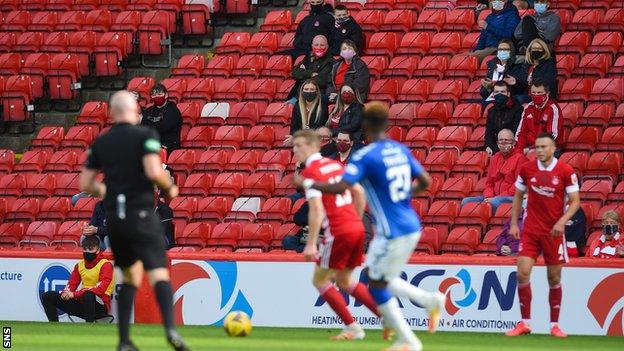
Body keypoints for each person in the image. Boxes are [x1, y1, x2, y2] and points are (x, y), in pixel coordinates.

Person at [294, 102, 445, 351]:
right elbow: (425, 181)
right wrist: (401, 196)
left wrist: (307, 184)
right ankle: (419, 310)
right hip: (406, 223)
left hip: (387, 230)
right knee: (369, 280)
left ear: (363, 126)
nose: (295, 150)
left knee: (364, 281)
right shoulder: (399, 149)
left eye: (298, 145)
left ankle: (404, 332)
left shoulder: (363, 156)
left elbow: (339, 191)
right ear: (387, 125)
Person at [79, 90, 188, 351]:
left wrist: (106, 191)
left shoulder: (101, 143)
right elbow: (154, 172)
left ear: (113, 113)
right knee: (159, 273)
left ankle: (125, 340)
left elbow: (85, 183)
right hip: (142, 213)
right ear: (135, 112)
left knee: (129, 277)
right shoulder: (147, 136)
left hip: (117, 219)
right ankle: (171, 332)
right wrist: (169, 188)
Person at [293, 129, 385, 340]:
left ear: (313, 146)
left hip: (338, 231)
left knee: (320, 281)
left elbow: (316, 209)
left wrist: (311, 244)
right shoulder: (335, 165)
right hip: (356, 228)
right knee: (344, 280)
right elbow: (359, 193)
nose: (295, 150)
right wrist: (355, 218)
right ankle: (387, 319)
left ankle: (353, 327)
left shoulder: (311, 172)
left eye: (299, 145)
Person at [505, 132, 580, 338]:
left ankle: (554, 325)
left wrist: (562, 221)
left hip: (553, 232)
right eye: (537, 147)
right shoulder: (526, 169)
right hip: (530, 229)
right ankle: (525, 323)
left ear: (553, 148)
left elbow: (575, 201)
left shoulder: (565, 171)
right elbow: (518, 196)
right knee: (522, 272)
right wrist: (514, 223)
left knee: (553, 277)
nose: (539, 150)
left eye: (543, 147)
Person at [42, 236, 114, 323]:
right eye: (85, 249)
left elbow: (100, 289)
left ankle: (89, 327)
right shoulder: (79, 265)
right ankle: (54, 326)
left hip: (101, 306)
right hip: (83, 303)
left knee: (88, 294)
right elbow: (71, 285)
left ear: (98, 250)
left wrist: (75, 294)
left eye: (90, 249)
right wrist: (65, 293)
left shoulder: (105, 264)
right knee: (47, 296)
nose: (87, 252)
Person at [462, 129, 528, 214]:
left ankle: (492, 226)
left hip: (511, 197)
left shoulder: (521, 159)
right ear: (497, 143)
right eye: (501, 140)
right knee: (466, 202)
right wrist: (490, 196)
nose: (503, 143)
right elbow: (489, 183)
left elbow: (518, 186)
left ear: (513, 143)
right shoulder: (495, 158)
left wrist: (496, 198)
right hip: (494, 196)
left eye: (507, 140)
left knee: (494, 202)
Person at [515, 79, 563, 155]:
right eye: (533, 93)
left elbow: (552, 136)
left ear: (547, 94)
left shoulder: (553, 108)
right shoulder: (528, 108)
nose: (536, 95)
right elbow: (521, 133)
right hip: (529, 147)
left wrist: (531, 149)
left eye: (539, 93)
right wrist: (519, 150)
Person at [288, 35, 334, 101]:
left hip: (315, 98)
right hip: (297, 96)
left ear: (327, 46)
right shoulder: (308, 57)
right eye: (316, 45)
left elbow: (321, 81)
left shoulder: (330, 61)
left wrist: (302, 76)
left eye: (322, 45)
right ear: (312, 46)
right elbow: (294, 73)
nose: (319, 47)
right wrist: (310, 74)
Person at [284, 80, 329, 146]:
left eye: (312, 89)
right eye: (306, 89)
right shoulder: (297, 105)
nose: (309, 92)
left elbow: (318, 127)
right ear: (302, 91)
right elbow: (294, 127)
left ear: (316, 91)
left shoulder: (322, 106)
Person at [141, 84, 183, 152]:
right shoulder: (148, 110)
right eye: (154, 95)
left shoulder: (172, 110)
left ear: (166, 95)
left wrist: (150, 126)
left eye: (159, 94)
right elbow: (142, 127)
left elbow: (164, 127)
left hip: (169, 145)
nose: (156, 97)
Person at [484, 82, 523, 154]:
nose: (499, 94)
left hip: (510, 145)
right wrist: (488, 146)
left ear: (508, 94)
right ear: (493, 94)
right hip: (494, 146)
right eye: (496, 92)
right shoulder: (491, 110)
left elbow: (515, 132)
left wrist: (495, 149)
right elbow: (489, 132)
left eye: (502, 92)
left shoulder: (518, 109)